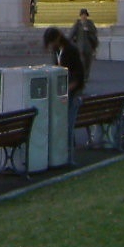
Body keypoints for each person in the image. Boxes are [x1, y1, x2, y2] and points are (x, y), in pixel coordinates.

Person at [43, 26, 84, 154]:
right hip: (62, 90)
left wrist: (71, 87)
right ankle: (63, 147)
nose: (51, 45)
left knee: (67, 120)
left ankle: (68, 148)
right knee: (61, 120)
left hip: (71, 89)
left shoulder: (70, 50)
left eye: (52, 41)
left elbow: (78, 73)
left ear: (58, 38)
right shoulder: (57, 51)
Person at [70, 8, 99, 84]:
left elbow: (94, 33)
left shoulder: (90, 23)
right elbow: (72, 34)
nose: (83, 16)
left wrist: (88, 30)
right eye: (82, 15)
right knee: (81, 62)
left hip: (89, 46)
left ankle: (86, 76)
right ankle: (81, 76)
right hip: (80, 47)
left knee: (88, 62)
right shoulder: (78, 24)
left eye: (85, 15)